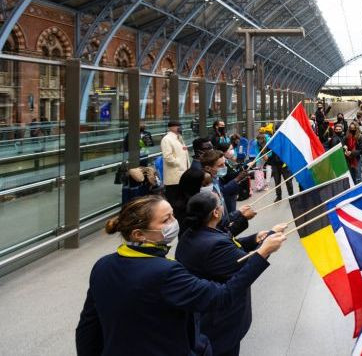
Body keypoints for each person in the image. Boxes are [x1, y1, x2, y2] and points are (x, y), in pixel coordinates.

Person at [75, 195, 285, 355]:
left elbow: (88, 326)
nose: (174, 222)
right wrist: (263, 253)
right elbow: (222, 296)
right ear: (139, 234)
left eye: (173, 215)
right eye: (166, 220)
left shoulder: (102, 266)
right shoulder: (164, 272)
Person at [176, 191, 288, 356]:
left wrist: (255, 239)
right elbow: (244, 265)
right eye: (220, 204)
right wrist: (266, 246)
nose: (223, 207)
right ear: (215, 212)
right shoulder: (213, 244)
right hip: (220, 321)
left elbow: (228, 242)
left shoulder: (194, 233)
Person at [201, 150, 253, 236]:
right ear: (207, 168)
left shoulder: (216, 177)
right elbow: (223, 192)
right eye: (220, 165)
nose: (224, 167)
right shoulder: (206, 185)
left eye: (224, 164)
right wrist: (239, 213)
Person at [160, 120, 190, 206]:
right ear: (171, 128)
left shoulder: (179, 138)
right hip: (174, 177)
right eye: (178, 126)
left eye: (180, 126)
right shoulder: (166, 139)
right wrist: (179, 164)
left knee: (181, 200)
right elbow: (168, 157)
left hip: (182, 175)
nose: (180, 128)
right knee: (174, 201)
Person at [173, 168, 208, 234]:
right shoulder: (193, 204)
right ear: (195, 185)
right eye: (203, 184)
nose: (204, 186)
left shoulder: (180, 197)